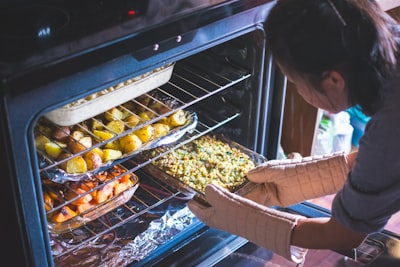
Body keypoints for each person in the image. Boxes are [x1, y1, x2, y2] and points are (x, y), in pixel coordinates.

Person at [187, 0, 400, 265]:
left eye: (295, 81)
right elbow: (387, 165)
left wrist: (246, 220)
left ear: (334, 80)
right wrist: (310, 176)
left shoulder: (390, 126)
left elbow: (343, 236)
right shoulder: (387, 41)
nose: (299, 91)